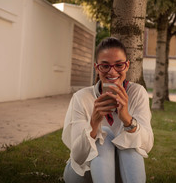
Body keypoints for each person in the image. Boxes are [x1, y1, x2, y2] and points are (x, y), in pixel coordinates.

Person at [62, 37, 154, 183]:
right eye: (105, 66)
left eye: (119, 65)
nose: (112, 72)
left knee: (130, 142)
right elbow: (78, 156)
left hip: (121, 172)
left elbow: (146, 146)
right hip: (83, 173)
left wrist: (127, 120)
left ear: (127, 65)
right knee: (105, 134)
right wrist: (93, 124)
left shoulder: (137, 93)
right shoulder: (81, 97)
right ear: (97, 68)